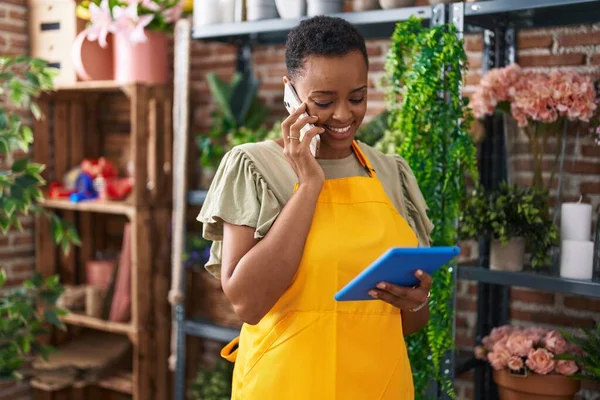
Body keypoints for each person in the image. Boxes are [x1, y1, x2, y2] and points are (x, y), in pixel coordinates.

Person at [197, 15, 435, 399]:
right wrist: (309, 185)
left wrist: (416, 299)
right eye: (323, 101)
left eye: (357, 98)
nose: (343, 115)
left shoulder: (392, 172)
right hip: (286, 385)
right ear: (290, 92)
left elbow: (407, 323)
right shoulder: (253, 166)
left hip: (379, 386)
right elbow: (248, 303)